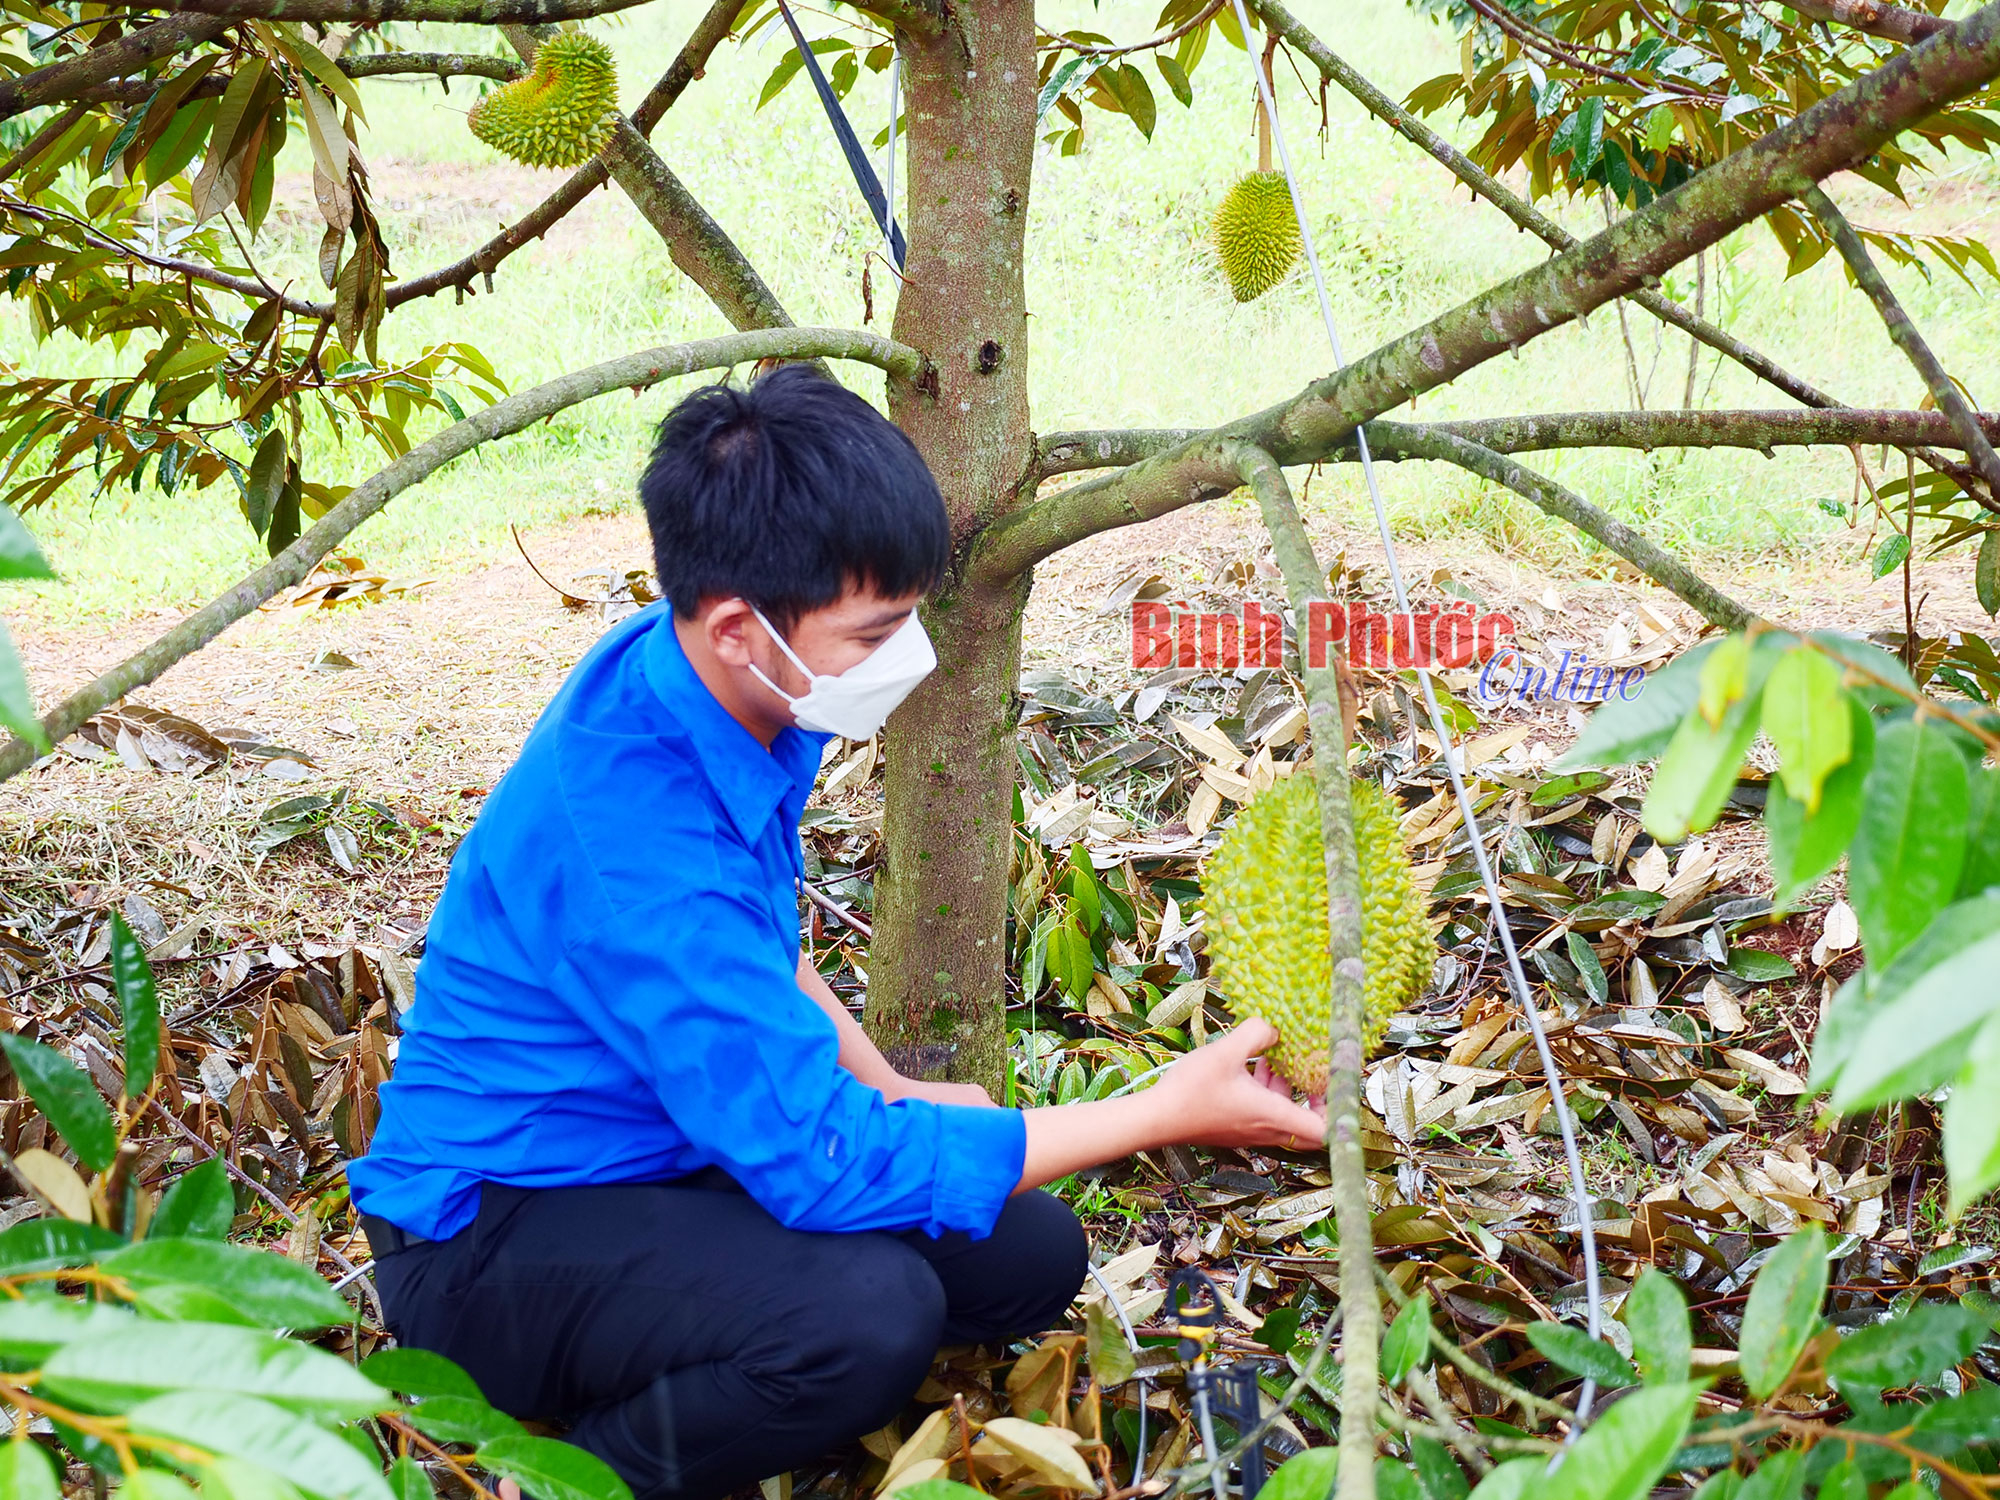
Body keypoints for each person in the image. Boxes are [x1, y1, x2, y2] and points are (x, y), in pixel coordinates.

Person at [348, 364, 1326, 1500]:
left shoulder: (712, 680)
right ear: (736, 626)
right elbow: (815, 1164)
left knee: (1030, 1251)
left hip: (655, 1151)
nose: (905, 656)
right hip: (488, 1242)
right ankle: (566, 1478)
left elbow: (765, 946)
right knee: (867, 1318)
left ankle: (685, 1365)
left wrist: (896, 1091)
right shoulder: (638, 856)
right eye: (878, 631)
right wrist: (1157, 1112)